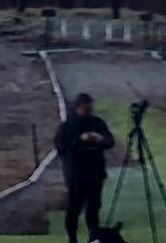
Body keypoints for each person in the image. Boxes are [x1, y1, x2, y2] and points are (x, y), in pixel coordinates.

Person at [55, 93, 116, 243]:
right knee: (74, 207)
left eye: (90, 108)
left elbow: (110, 142)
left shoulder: (97, 123)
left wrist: (101, 139)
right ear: (78, 107)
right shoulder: (67, 126)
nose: (88, 110)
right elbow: (61, 147)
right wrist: (79, 140)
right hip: (76, 174)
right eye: (85, 108)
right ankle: (72, 238)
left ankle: (93, 237)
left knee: (94, 207)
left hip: (95, 172)